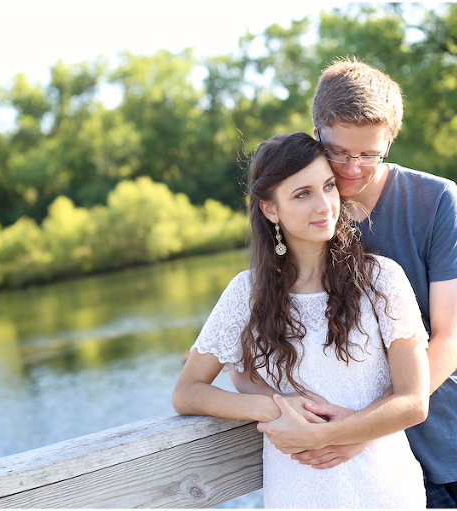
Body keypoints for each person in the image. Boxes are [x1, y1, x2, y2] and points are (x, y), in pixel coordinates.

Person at [236, 58, 457, 508]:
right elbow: (249, 348)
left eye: (369, 153)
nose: (351, 167)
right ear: (316, 133)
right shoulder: (306, 216)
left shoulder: (436, 200)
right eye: (338, 151)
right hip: (370, 474)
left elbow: (450, 338)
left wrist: (364, 426)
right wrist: (305, 416)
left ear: (390, 140)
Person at [172, 132, 431, 508]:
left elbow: (412, 402)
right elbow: (187, 392)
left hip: (384, 488)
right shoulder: (247, 292)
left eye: (328, 186)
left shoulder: (381, 279)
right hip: (298, 492)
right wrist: (274, 406)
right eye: (302, 194)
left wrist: (325, 435)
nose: (325, 204)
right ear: (269, 209)